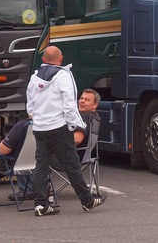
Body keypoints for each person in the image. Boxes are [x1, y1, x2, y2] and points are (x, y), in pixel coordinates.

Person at [27, 45, 106, 216]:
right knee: (72, 166)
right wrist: (74, 125)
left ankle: (41, 205)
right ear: (61, 59)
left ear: (43, 60)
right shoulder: (63, 76)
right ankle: (87, 201)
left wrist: (38, 120)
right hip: (58, 128)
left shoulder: (34, 78)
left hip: (40, 129)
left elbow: (30, 106)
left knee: (41, 166)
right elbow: (69, 105)